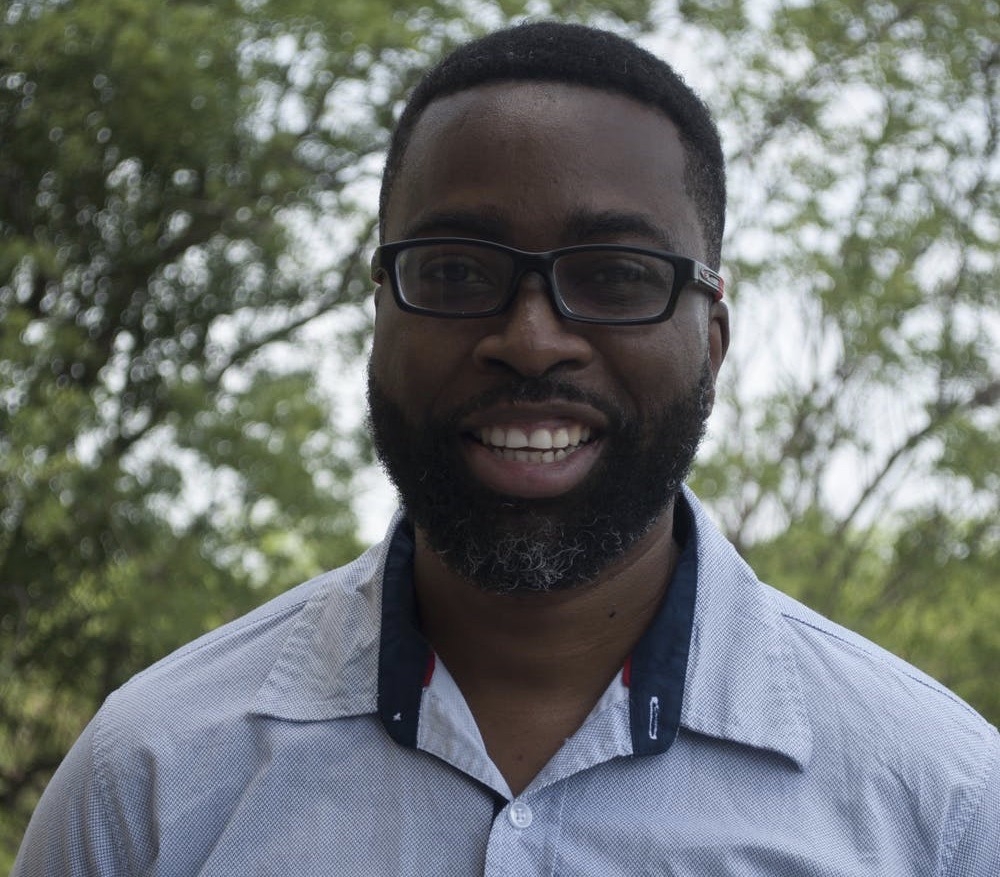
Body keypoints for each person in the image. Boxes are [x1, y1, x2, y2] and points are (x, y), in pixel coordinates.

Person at [14, 21, 999, 876]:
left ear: (712, 335)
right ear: (378, 314)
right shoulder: (150, 782)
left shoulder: (942, 807)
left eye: (614, 275)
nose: (531, 339)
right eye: (453, 269)